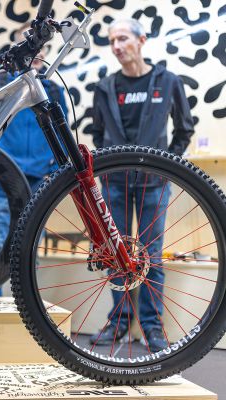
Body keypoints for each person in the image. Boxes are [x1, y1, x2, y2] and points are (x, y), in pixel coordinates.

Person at [89, 18, 194, 352]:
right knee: (115, 255)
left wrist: (167, 165)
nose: (117, 46)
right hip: (115, 184)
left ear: (141, 40)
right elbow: (97, 133)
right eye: (112, 41)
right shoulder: (105, 88)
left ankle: (151, 325)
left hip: (154, 184)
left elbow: (184, 129)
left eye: (123, 38)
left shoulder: (168, 81)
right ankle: (119, 322)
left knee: (151, 255)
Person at [0, 41, 68, 296]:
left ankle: (27, 309)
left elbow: (62, 132)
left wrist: (54, 170)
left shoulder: (53, 89)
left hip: (39, 180)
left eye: (41, 47)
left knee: (30, 250)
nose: (37, 52)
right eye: (31, 46)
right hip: (5, 177)